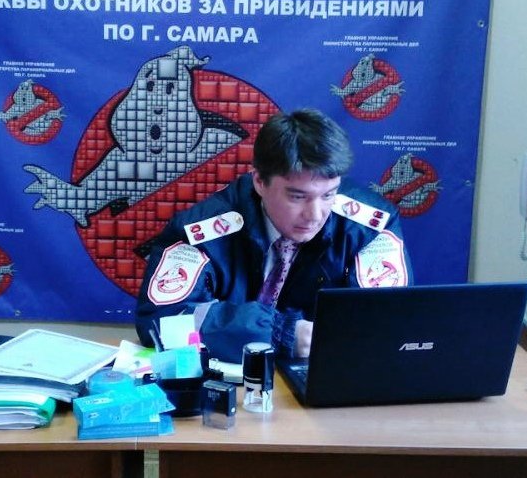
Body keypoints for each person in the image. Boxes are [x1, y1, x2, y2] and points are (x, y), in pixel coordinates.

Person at [135, 108, 412, 363]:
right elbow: (160, 321)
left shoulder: (372, 227)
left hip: (326, 377)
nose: (315, 215)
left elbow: (390, 319)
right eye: (297, 197)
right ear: (259, 181)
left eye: (328, 195)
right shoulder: (199, 233)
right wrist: (279, 333)